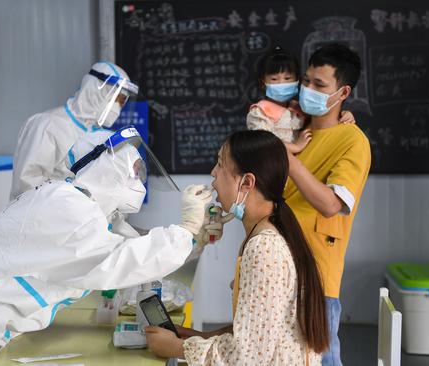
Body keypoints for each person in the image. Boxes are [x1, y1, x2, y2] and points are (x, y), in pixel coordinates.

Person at [0, 127, 222, 366]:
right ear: (106, 168)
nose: (138, 180)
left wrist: (193, 238)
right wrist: (186, 230)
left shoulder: (82, 205)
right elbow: (119, 261)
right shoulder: (66, 206)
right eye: (132, 171)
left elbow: (131, 242)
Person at [145, 130, 329, 365]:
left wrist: (179, 348)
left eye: (220, 164)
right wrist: (198, 337)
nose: (213, 173)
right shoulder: (264, 232)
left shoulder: (264, 248)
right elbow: (256, 328)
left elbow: (246, 357)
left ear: (247, 182)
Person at [283, 43, 371, 366]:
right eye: (306, 82)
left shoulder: (353, 141)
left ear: (343, 92)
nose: (309, 90)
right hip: (275, 269)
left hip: (316, 279)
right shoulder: (294, 133)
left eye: (320, 85)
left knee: (319, 360)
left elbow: (332, 204)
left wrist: (287, 160)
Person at [10, 61, 138, 200]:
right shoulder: (47, 125)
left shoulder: (98, 135)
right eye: (115, 99)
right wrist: (71, 195)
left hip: (82, 219)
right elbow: (27, 186)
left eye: (122, 102)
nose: (117, 107)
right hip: (44, 219)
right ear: (95, 90)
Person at [247, 46, 354, 154]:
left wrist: (344, 114)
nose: (282, 83)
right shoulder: (260, 111)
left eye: (288, 78)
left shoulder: (298, 107)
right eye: (274, 79)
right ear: (262, 83)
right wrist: (295, 147)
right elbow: (262, 143)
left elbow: (324, 115)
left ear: (297, 79)